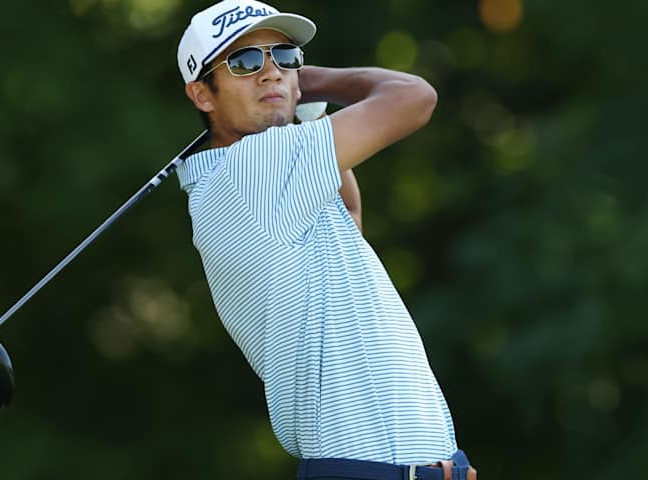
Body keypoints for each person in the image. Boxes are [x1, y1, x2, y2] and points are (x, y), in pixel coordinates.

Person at [175, 1, 477, 479]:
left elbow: (350, 211)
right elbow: (414, 97)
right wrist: (313, 80)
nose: (270, 72)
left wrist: (294, 103)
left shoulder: (234, 184)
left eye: (285, 56)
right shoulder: (253, 168)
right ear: (202, 95)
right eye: (245, 62)